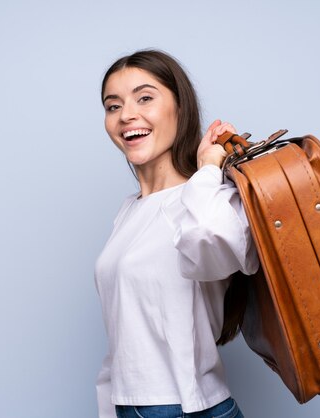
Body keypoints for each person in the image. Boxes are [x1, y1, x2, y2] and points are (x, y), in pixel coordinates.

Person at [94, 49, 259, 418]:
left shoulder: (211, 198)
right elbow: (124, 334)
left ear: (180, 109)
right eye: (112, 106)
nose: (126, 115)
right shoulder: (129, 211)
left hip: (187, 408)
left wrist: (207, 169)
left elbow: (212, 246)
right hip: (131, 405)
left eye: (145, 98)